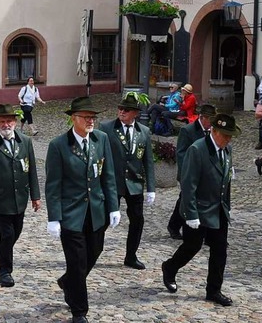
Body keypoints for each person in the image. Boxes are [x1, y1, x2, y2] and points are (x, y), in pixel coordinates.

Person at [45, 96, 120, 323]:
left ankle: (69, 282)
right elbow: (53, 184)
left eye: (93, 117)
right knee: (77, 263)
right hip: (71, 215)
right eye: (86, 117)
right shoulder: (59, 146)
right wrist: (54, 218)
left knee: (93, 253)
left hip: (96, 212)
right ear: (74, 119)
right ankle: (79, 311)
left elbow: (108, 175)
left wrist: (113, 206)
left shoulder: (101, 139)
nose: (91, 121)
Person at [161, 113, 241, 307]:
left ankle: (214, 290)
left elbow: (226, 182)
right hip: (200, 209)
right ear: (213, 131)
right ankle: (170, 267)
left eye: (230, 135)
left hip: (219, 210)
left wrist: (227, 208)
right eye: (225, 135)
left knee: (220, 250)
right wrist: (190, 214)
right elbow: (189, 185)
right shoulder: (197, 150)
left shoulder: (227, 149)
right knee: (192, 246)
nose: (228, 139)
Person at [0, 104, 41, 288]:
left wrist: (35, 195)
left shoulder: (25, 141)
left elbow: (32, 170)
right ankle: (5, 271)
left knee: (16, 231)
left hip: (20, 197)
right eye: (2, 121)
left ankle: (1, 249)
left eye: (9, 121)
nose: (6, 124)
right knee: (7, 233)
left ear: (15, 121)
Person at [99, 94, 155, 270]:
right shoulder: (106, 128)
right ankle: (90, 250)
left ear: (136, 113)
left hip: (134, 183)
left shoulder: (143, 132)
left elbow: (148, 161)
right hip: (113, 183)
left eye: (126, 110)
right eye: (120, 108)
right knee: (104, 220)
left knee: (137, 220)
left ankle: (131, 255)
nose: (122, 112)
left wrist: (151, 188)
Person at [167, 104, 217, 240]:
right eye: (210, 120)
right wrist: (187, 173)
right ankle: (174, 225)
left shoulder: (212, 131)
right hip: (190, 173)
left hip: (206, 173)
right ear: (202, 118)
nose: (211, 123)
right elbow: (181, 153)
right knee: (185, 199)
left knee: (204, 199)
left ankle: (208, 231)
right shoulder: (188, 130)